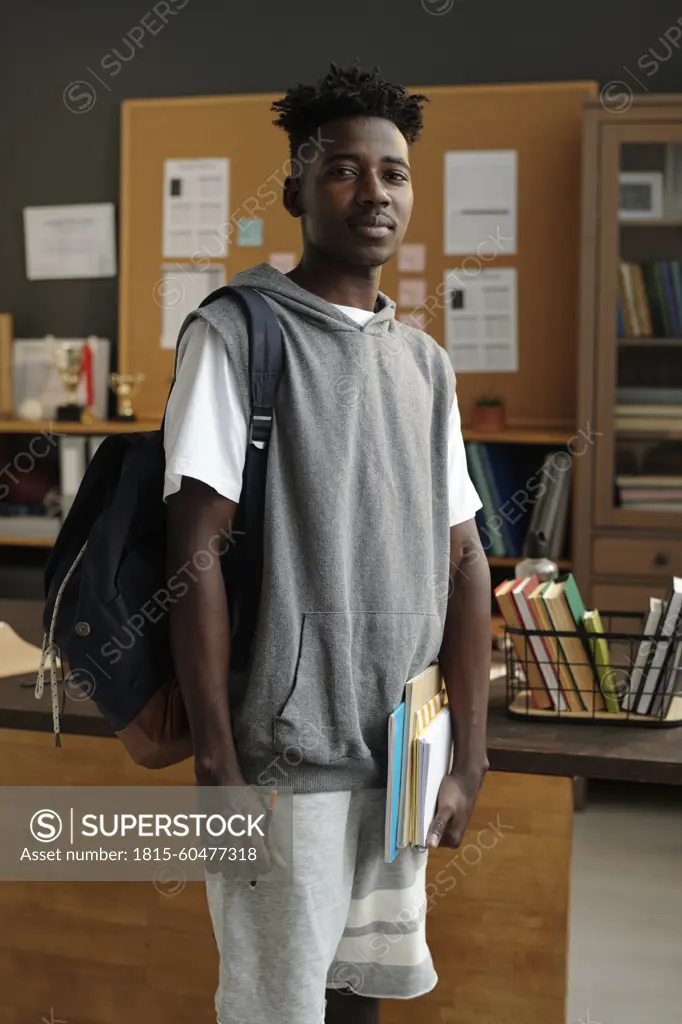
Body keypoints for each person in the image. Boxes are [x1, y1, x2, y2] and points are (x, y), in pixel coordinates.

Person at [163, 62, 491, 1024]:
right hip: (282, 763)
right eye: (344, 171)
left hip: (402, 757)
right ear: (298, 189)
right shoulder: (237, 335)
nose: (374, 193)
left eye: (392, 173)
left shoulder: (424, 364)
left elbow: (466, 559)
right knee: (277, 1007)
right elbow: (196, 551)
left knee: (359, 1001)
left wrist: (468, 759)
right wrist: (219, 770)